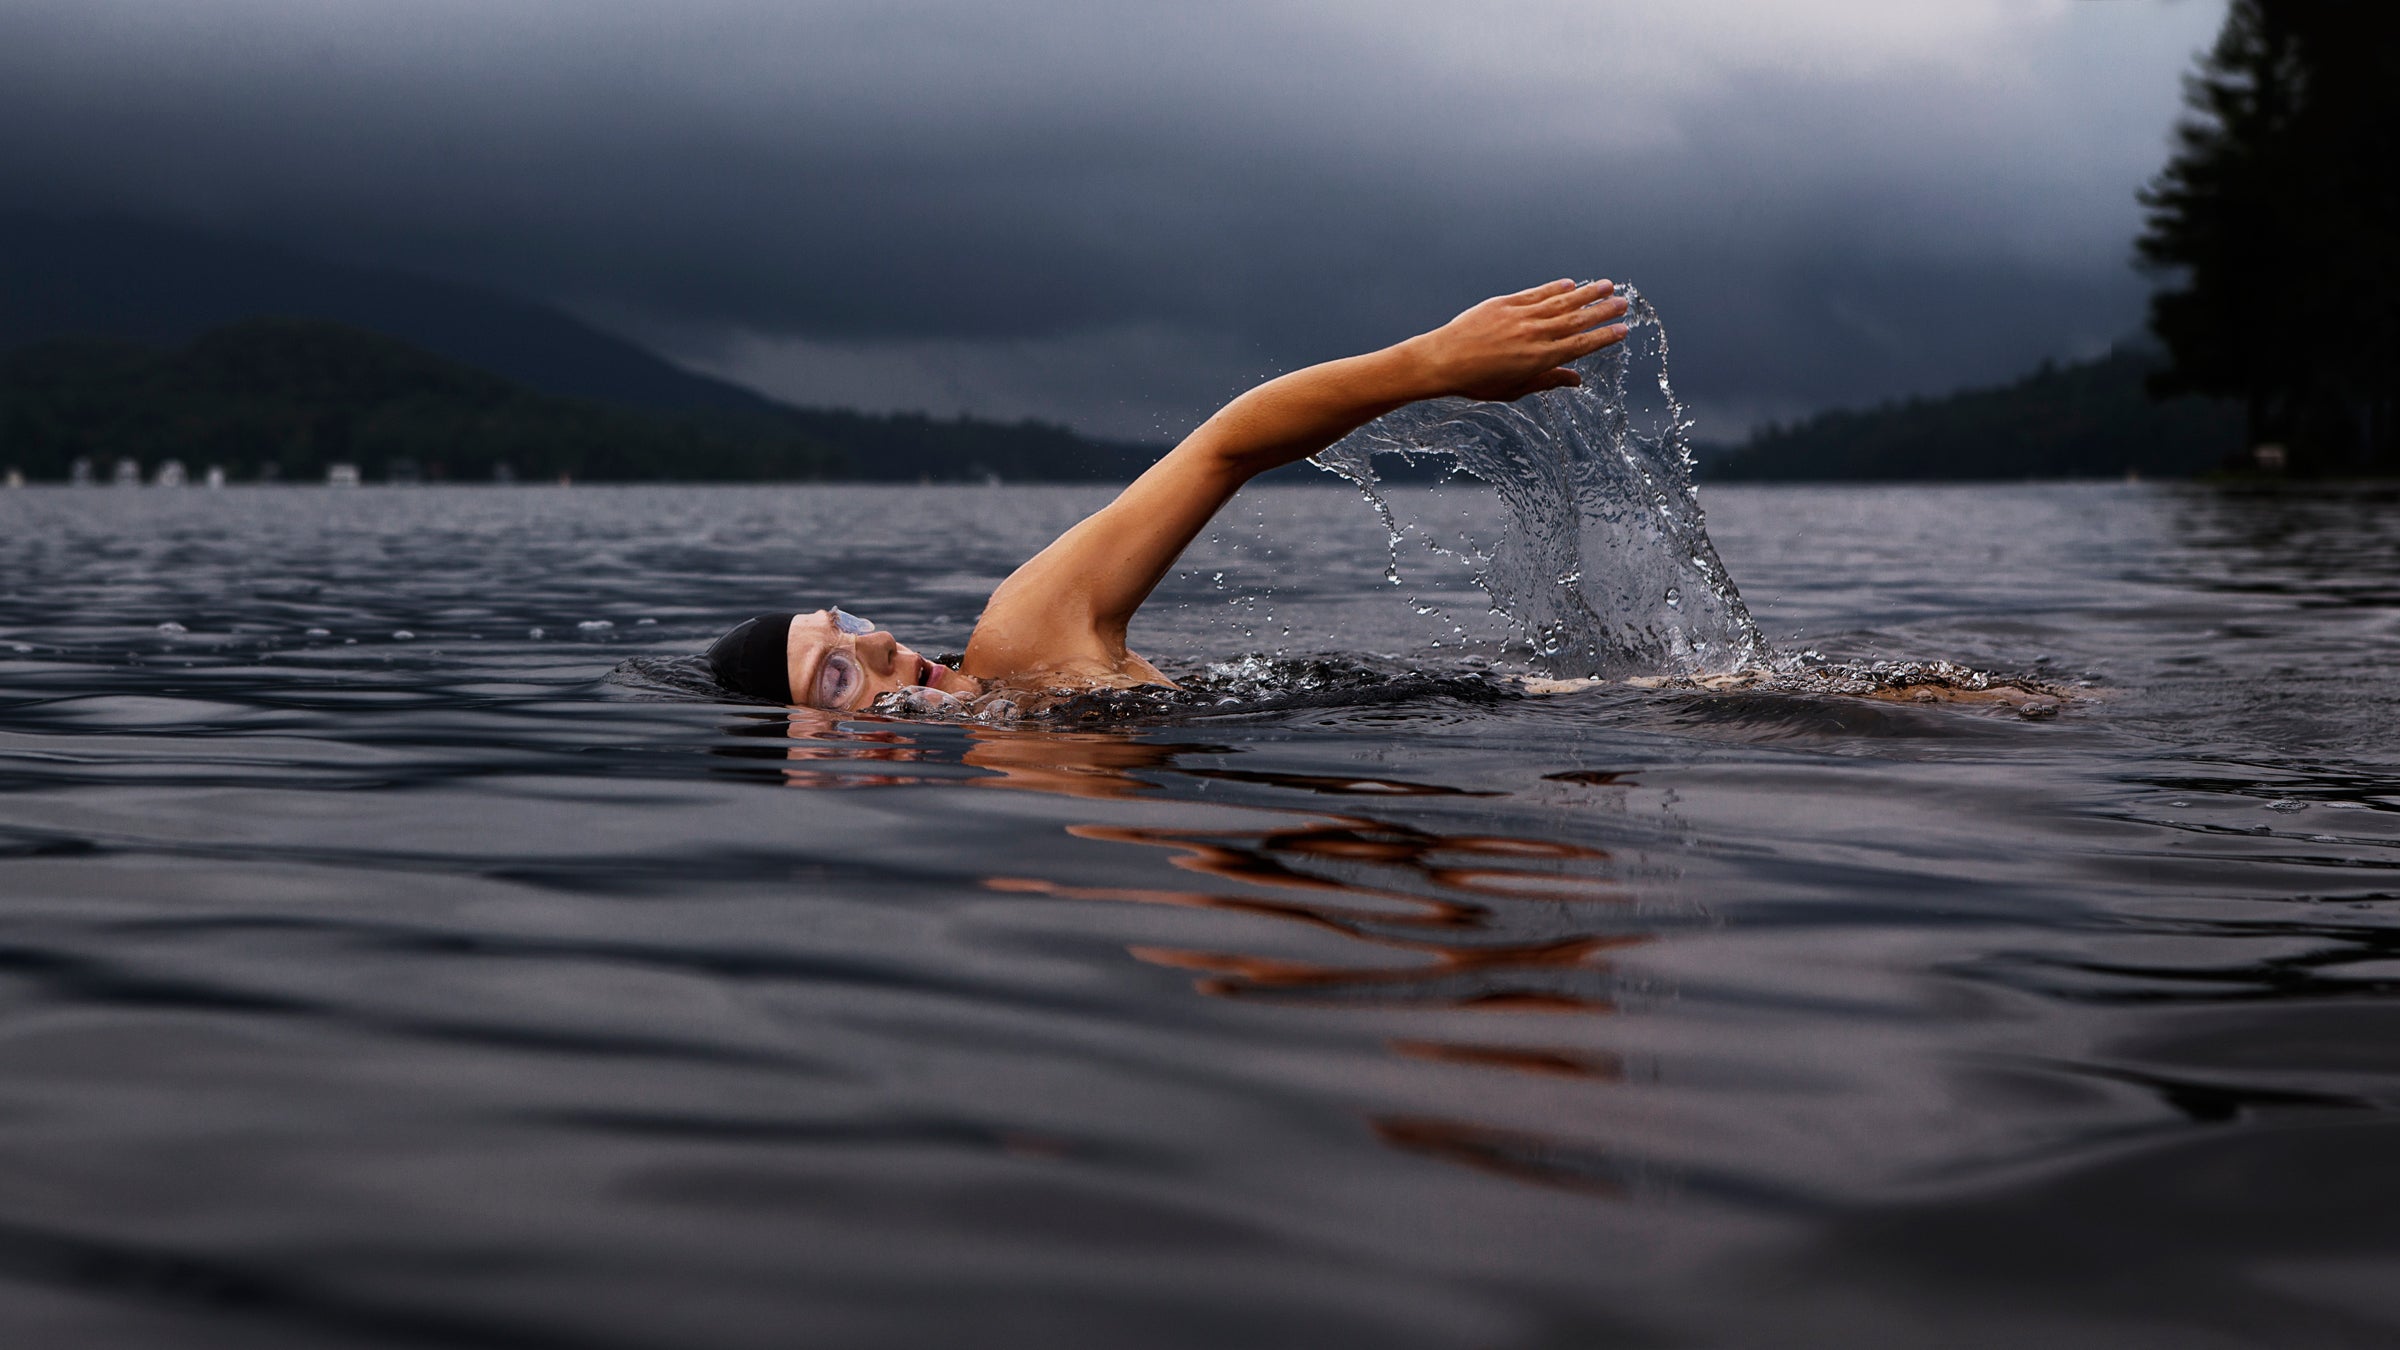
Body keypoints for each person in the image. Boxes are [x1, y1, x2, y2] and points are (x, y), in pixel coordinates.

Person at [707, 278, 1633, 710]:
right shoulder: (1011, 801)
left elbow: (1222, 449)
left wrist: (1429, 364)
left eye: (848, 624)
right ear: (809, 761)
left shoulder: (1022, 643)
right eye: (835, 673)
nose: (877, 641)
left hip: (1569, 709)